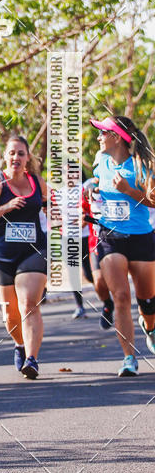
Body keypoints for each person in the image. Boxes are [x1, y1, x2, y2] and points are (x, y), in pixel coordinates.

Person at [0, 135, 48, 379]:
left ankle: (32, 359)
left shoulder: (37, 181)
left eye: (21, 153)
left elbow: (51, 206)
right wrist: (5, 207)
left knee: (29, 304)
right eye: (12, 153)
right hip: (2, 255)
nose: (16, 157)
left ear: (28, 158)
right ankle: (19, 344)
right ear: (5, 156)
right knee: (11, 314)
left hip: (34, 251)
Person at [89, 116, 155, 375]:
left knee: (147, 301)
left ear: (116, 137)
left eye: (102, 133)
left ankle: (149, 326)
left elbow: (153, 200)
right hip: (110, 236)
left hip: (141, 237)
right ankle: (129, 358)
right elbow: (96, 182)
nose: (98, 137)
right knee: (121, 297)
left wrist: (128, 190)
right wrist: (92, 191)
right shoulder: (100, 161)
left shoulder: (141, 165)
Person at [81, 168, 114, 330]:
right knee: (98, 281)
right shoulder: (88, 187)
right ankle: (108, 304)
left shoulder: (119, 181)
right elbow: (83, 210)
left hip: (120, 238)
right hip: (96, 241)